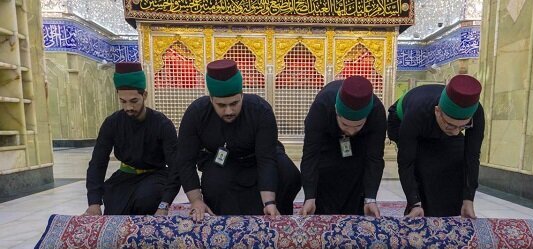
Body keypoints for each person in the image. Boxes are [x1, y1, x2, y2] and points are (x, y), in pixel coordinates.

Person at [177, 59, 301, 221]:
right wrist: (196, 200)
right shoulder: (196, 113)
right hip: (222, 160)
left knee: (288, 173)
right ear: (211, 99)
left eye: (234, 103)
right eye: (221, 105)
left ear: (242, 95)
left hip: (258, 157)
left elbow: (266, 159)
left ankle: (277, 223)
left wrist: (269, 202)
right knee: (215, 184)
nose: (229, 111)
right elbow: (185, 161)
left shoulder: (260, 110)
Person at [84, 62, 180, 216]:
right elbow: (97, 162)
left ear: (144, 96)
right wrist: (94, 202)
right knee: (113, 205)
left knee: (146, 198)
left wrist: (164, 204)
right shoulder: (112, 123)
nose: (128, 107)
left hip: (155, 176)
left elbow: (176, 167)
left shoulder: (162, 124)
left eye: (134, 101)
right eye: (123, 101)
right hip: (125, 177)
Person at [387, 74, 484, 218]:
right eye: (451, 125)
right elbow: (406, 162)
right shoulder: (417, 112)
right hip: (404, 121)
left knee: (456, 164)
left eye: (463, 127)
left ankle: (450, 218)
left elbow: (472, 156)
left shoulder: (475, 112)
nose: (457, 132)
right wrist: (414, 202)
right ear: (437, 111)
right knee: (425, 166)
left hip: (437, 123)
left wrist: (468, 199)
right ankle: (418, 212)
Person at [300, 76, 386, 217]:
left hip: (361, 141)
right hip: (329, 139)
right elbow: (311, 155)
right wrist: (309, 196)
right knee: (326, 172)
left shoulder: (377, 112)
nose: (351, 131)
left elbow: (375, 158)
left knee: (357, 172)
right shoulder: (321, 107)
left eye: (357, 125)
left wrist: (370, 198)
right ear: (336, 111)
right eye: (345, 124)